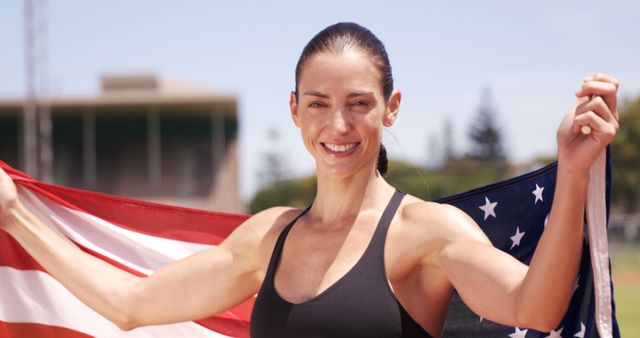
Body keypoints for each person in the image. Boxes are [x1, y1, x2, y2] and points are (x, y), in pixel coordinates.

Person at [0, 22, 620, 338]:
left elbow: (535, 307)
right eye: (318, 103)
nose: (338, 124)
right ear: (294, 110)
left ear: (391, 107)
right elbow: (130, 306)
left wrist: (571, 173)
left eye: (358, 102)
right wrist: (15, 217)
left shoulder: (426, 234)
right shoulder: (266, 238)